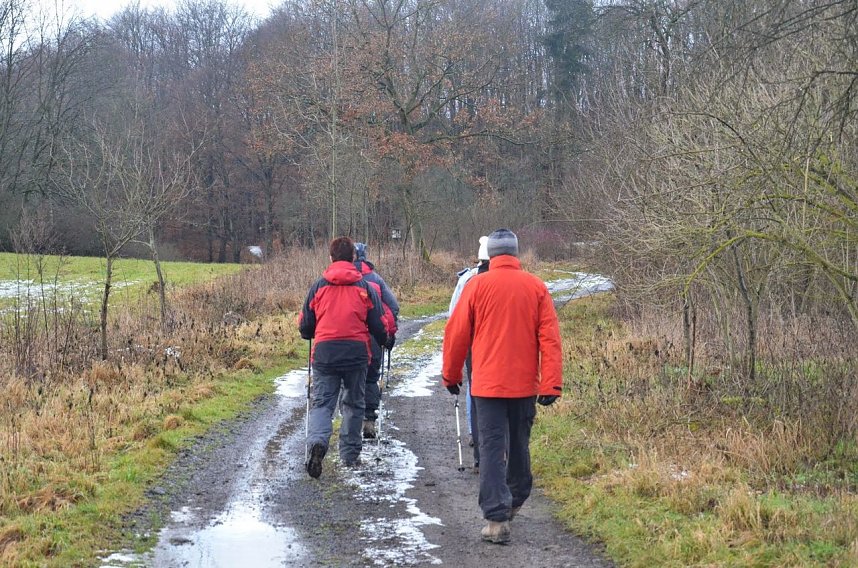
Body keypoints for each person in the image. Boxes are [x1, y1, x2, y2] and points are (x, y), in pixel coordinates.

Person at [441, 229, 562, 544]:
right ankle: (517, 497)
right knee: (520, 444)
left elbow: (456, 336)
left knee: (492, 449)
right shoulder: (536, 287)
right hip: (523, 386)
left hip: (487, 386)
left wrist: (451, 376)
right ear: (516, 254)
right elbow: (549, 339)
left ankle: (496, 520)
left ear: (491, 255)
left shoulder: (475, 286)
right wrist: (550, 383)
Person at [299, 237, 390, 478]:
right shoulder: (365, 287)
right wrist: (385, 339)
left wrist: (314, 331)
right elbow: (378, 324)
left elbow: (305, 327)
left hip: (325, 354)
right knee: (353, 404)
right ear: (353, 258)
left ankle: (317, 443)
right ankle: (349, 456)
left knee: (322, 404)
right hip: (356, 355)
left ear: (330, 258)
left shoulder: (318, 287)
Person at [448, 236, 490, 472]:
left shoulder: (467, 279)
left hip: (475, 347)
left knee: (476, 392)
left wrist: (451, 371)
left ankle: (478, 444)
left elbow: (454, 314)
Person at [354, 242, 399, 439]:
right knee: (371, 378)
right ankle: (369, 420)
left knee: (349, 380)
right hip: (373, 336)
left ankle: (350, 421)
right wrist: (389, 333)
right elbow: (393, 306)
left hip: (349, 337)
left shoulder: (334, 278)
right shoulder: (375, 280)